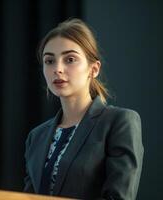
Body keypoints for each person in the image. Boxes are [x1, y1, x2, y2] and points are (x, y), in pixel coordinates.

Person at [23, 18, 144, 200]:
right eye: (49, 61)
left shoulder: (119, 122)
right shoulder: (36, 136)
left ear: (93, 69)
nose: (58, 69)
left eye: (70, 59)